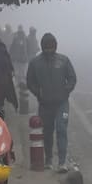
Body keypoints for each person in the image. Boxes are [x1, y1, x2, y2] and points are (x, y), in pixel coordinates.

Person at [26, 33, 77, 173]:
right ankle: (48, 160)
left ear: (55, 46)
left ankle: (62, 162)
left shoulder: (63, 60)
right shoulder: (35, 63)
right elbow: (30, 81)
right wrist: (38, 93)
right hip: (45, 104)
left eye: (51, 47)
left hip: (61, 103)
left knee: (61, 129)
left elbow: (72, 78)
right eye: (46, 47)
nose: (49, 49)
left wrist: (65, 90)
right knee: (47, 132)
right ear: (42, 47)